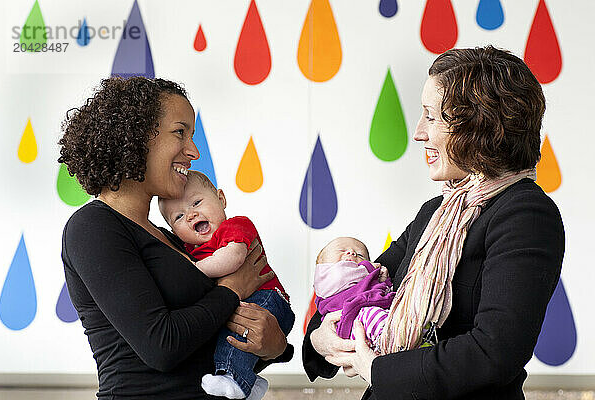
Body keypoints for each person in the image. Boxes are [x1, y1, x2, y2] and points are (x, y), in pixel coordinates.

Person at [302, 46, 565, 400]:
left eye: (431, 116)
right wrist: (321, 337)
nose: (419, 133)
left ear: (478, 124)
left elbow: (496, 350)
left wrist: (377, 371)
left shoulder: (526, 215)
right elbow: (361, 285)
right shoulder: (435, 211)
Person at [59, 77, 293, 399]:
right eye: (180, 132)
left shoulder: (171, 239)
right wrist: (232, 289)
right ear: (137, 136)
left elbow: (208, 343)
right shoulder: (93, 227)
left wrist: (275, 347)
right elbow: (161, 346)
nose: (193, 151)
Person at [158, 170, 295, 400]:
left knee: (236, 329)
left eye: (197, 202)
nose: (191, 215)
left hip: (268, 299)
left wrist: (193, 270)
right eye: (179, 217)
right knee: (228, 332)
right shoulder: (189, 250)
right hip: (246, 301)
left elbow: (233, 257)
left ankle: (233, 377)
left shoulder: (233, 227)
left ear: (221, 199)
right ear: (174, 231)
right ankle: (248, 381)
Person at [313, 237, 393, 352]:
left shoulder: (364, 277)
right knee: (373, 316)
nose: (352, 252)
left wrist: (383, 280)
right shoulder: (325, 277)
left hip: (377, 314)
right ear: (321, 263)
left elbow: (382, 292)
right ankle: (392, 340)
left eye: (360, 255)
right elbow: (341, 275)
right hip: (352, 321)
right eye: (341, 250)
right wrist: (368, 268)